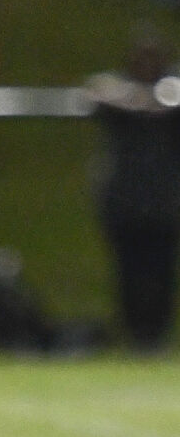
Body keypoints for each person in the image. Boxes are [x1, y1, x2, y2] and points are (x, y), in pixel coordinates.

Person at [84, 27, 180, 350]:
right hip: (125, 201)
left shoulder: (172, 94)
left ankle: (156, 336)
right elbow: (98, 91)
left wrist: (150, 102)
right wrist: (141, 100)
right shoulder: (117, 93)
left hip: (165, 203)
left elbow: (168, 101)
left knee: (161, 272)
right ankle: (132, 334)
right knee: (129, 272)